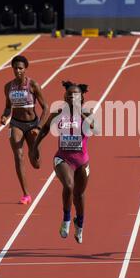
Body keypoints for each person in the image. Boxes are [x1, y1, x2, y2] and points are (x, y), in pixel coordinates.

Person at [32, 81, 95, 244]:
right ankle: (66, 219)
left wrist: (79, 112)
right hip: (63, 158)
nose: (72, 96)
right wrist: (35, 147)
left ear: (81, 98)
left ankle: (79, 225)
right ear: (65, 97)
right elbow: (45, 129)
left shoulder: (88, 113)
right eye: (69, 94)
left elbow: (93, 128)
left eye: (76, 94)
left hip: (82, 161)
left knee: (79, 195)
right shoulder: (58, 113)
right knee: (68, 186)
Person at [0, 55, 49, 204]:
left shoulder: (33, 85)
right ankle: (26, 194)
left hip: (33, 125)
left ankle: (33, 152)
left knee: (36, 164)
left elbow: (46, 108)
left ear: (25, 69)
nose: (18, 71)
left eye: (20, 68)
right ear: (12, 69)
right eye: (15, 68)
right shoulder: (8, 86)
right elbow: (8, 107)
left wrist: (39, 127)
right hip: (16, 124)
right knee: (18, 155)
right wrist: (4, 116)